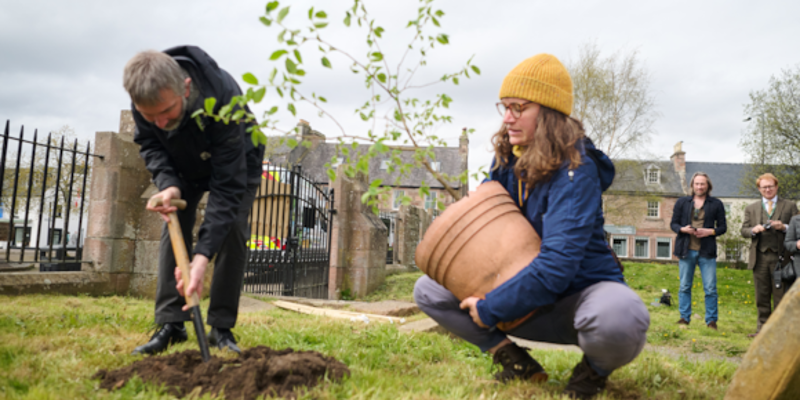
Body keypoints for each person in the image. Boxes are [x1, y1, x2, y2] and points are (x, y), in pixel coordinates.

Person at [413, 54, 650, 400]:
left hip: (577, 302)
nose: (507, 118)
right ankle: (515, 361)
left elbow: (557, 266)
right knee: (429, 290)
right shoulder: (507, 161)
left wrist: (490, 307)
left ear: (549, 112)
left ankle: (592, 373)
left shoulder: (576, 171)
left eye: (518, 107)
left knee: (621, 315)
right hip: (523, 305)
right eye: (504, 107)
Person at [123, 46, 264, 355]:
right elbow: (149, 141)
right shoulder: (144, 95)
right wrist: (169, 185)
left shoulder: (224, 100)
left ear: (185, 88)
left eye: (167, 112)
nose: (159, 122)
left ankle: (221, 328)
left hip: (239, 159)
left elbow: (227, 188)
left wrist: (201, 259)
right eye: (150, 115)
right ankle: (172, 323)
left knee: (232, 230)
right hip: (182, 162)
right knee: (172, 221)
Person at [741, 173, 797, 337]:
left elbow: (797, 229)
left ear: (776, 187)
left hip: (783, 258)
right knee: (762, 295)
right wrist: (753, 230)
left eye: (770, 186)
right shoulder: (751, 208)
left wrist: (784, 227)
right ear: (759, 189)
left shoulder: (790, 206)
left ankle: (780, 333)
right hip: (759, 258)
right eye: (764, 187)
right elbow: (743, 230)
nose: (768, 189)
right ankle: (762, 331)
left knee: (781, 297)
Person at [670, 172, 727, 329]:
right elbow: (673, 224)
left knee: (710, 288)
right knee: (684, 286)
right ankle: (684, 317)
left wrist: (710, 232)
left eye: (702, 184)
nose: (700, 186)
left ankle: (711, 320)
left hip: (707, 251)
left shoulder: (716, 204)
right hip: (686, 250)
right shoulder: (682, 202)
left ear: (708, 186)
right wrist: (683, 229)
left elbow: (723, 227)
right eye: (697, 184)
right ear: (692, 185)